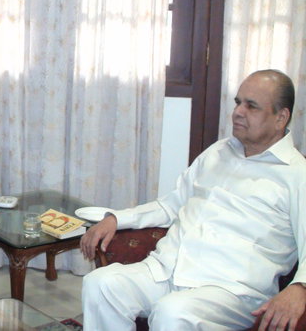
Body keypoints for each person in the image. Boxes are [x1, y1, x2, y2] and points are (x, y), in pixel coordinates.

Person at [79, 69, 306, 331]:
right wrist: (116, 219)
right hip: (167, 269)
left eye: (251, 106)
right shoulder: (218, 152)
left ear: (281, 118)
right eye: (238, 102)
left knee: (172, 312)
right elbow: (172, 205)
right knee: (100, 284)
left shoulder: (297, 174)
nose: (238, 112)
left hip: (230, 291)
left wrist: (300, 287)